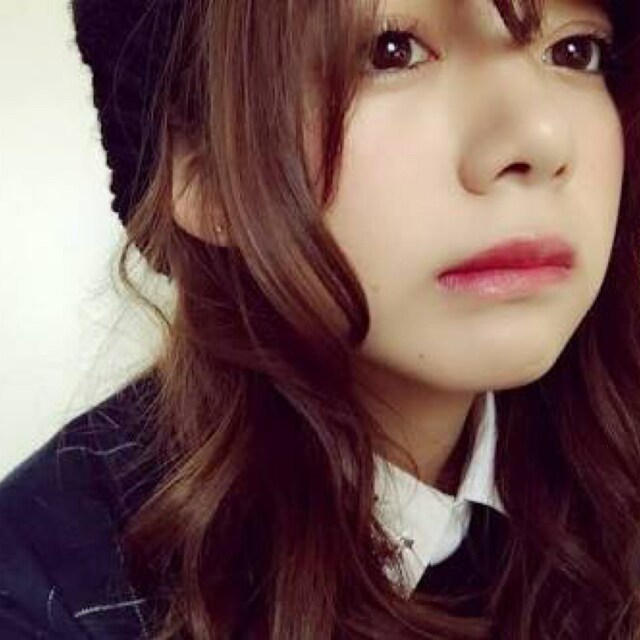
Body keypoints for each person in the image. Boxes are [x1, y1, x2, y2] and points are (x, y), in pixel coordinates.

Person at [1, 0, 639, 637]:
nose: (539, 138)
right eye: (391, 51)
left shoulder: (609, 468)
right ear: (202, 173)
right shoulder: (43, 598)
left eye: (576, 52)